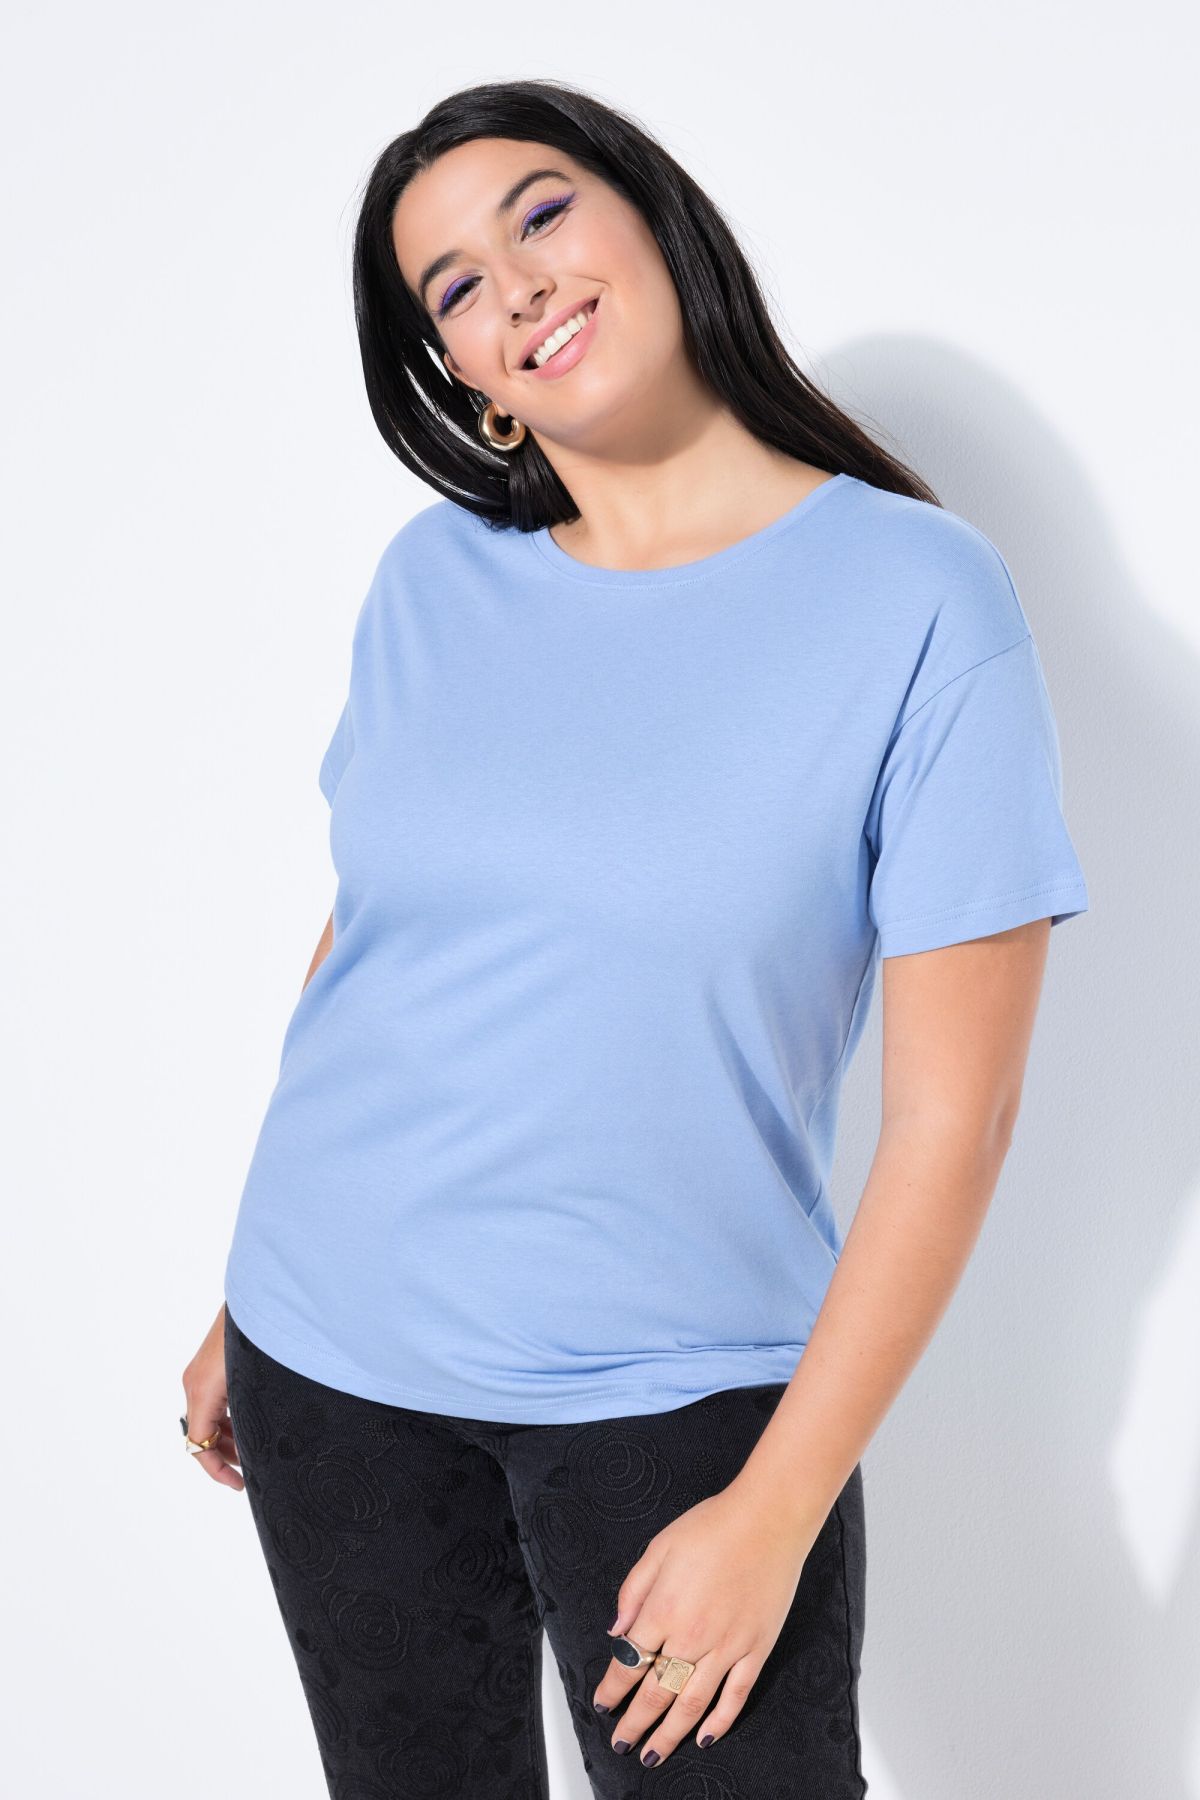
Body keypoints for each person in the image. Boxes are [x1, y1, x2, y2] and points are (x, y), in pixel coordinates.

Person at [180, 78, 1090, 1798]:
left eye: (540, 213)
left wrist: (776, 1506)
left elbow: (953, 1121)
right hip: (333, 1364)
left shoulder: (921, 598)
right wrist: (249, 1287)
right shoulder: (433, 582)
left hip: (677, 1408)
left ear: (654, 218)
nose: (516, 284)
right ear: (466, 374)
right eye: (456, 285)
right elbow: (378, 934)